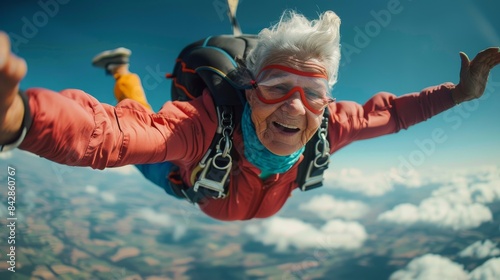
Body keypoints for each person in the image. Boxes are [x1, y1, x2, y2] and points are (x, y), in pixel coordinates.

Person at [1, 11, 499, 221]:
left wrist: (457, 95)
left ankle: (121, 68)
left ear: (327, 99)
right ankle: (121, 70)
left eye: (313, 93)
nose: (294, 107)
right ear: (250, 89)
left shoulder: (329, 126)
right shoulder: (202, 127)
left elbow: (390, 113)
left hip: (220, 196)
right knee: (145, 135)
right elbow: (112, 133)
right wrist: (21, 118)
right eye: (278, 87)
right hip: (182, 178)